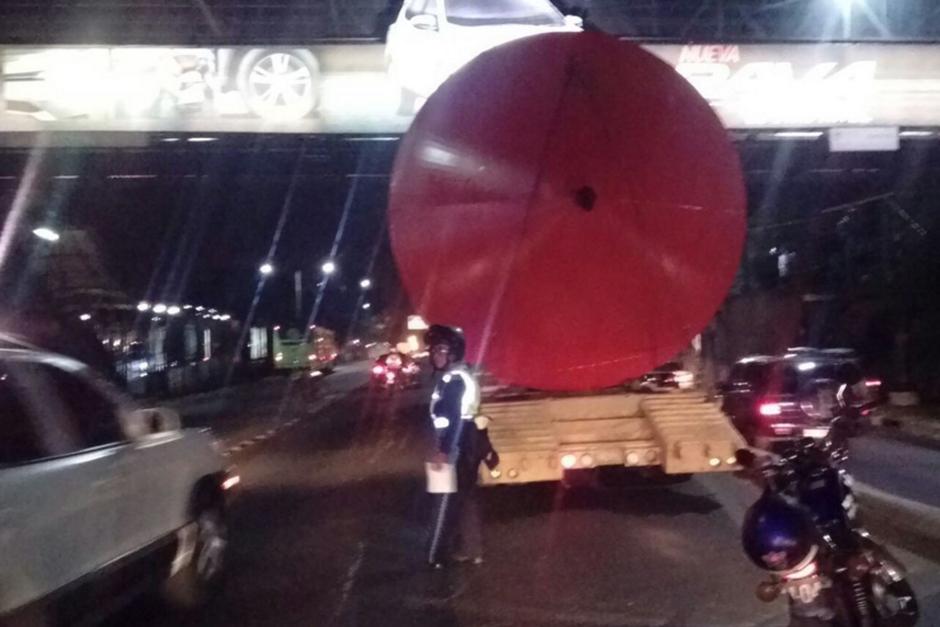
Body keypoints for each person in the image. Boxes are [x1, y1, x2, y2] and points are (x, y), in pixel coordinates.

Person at [424, 324, 497, 569]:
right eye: (433, 350)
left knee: (443, 503)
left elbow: (454, 418)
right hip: (462, 446)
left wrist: (443, 451)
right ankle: (470, 549)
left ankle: (437, 555)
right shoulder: (457, 375)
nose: (436, 355)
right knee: (463, 499)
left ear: (453, 352)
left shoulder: (454, 379)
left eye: (441, 350)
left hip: (455, 448)